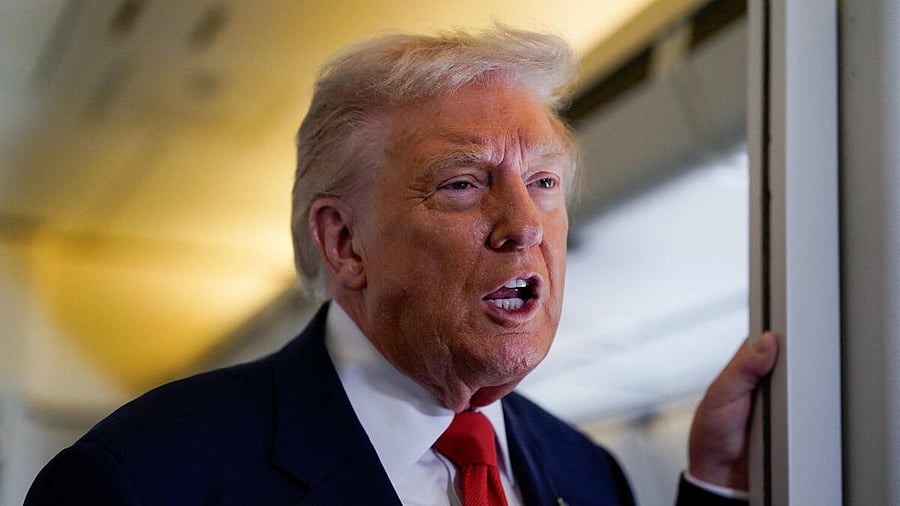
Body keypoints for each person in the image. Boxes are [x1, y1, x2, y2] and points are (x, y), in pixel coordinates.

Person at [25, 26, 777, 505]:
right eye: (462, 185)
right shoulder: (144, 478)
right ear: (345, 244)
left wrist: (713, 485)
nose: (524, 226)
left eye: (544, 182)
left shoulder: (587, 472)